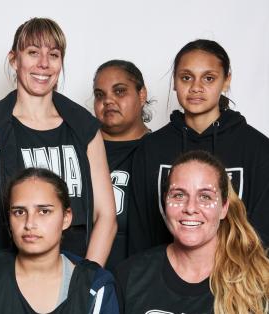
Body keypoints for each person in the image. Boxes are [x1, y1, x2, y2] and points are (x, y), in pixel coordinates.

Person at [0, 17, 116, 267]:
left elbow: (106, 217)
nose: (43, 64)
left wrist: (87, 280)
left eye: (53, 55)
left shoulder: (84, 126)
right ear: (14, 59)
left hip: (73, 273)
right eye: (33, 52)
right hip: (10, 277)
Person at [128, 39, 269, 254]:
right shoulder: (151, 147)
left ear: (226, 81)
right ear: (174, 81)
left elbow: (262, 233)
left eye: (209, 78)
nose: (196, 87)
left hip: (234, 280)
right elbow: (140, 231)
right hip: (163, 281)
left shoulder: (257, 148)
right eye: (186, 77)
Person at [115, 150, 269, 314]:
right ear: (165, 201)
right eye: (179, 195)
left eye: (205, 197)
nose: (190, 208)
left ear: (224, 208)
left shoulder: (257, 280)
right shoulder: (129, 275)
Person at [0, 168, 119, 314]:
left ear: (66, 218)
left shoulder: (94, 284)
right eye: (19, 212)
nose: (29, 224)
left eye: (44, 211)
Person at [92, 60, 151, 269]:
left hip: (142, 278)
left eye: (119, 91)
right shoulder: (81, 149)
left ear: (142, 95)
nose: (108, 100)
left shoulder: (161, 149)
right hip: (85, 274)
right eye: (100, 95)